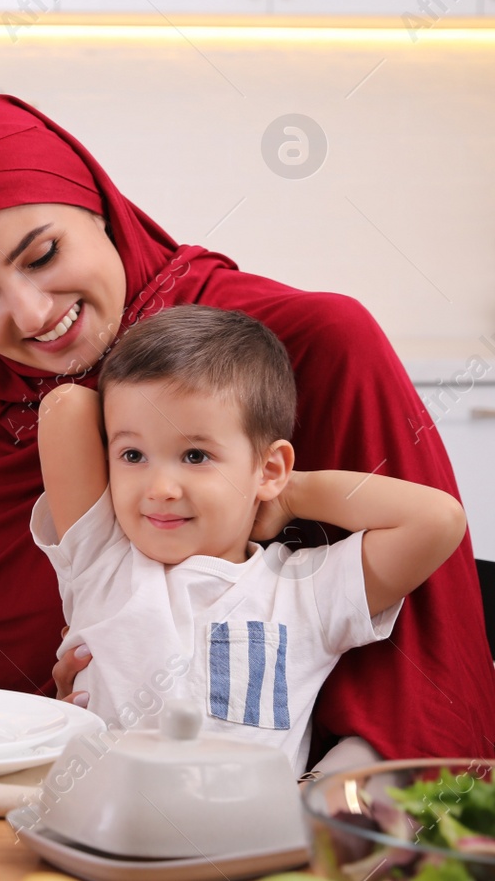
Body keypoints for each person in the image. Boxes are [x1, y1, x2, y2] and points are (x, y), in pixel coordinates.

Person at [0, 93, 495, 768]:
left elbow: (421, 660)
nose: (29, 314)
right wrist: (55, 709)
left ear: (103, 212)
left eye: (43, 255)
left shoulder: (314, 344)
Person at [34, 304, 465, 770]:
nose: (160, 489)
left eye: (196, 456)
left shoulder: (304, 591)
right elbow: (65, 406)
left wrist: (287, 492)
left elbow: (437, 519)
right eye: (133, 454)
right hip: (101, 827)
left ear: (271, 467)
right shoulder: (101, 557)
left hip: (250, 837)